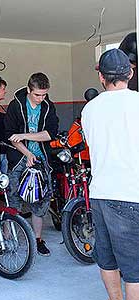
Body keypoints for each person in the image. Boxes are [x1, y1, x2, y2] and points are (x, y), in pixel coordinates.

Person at [82, 48, 139, 300]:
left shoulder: (89, 110)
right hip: (131, 193)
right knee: (134, 269)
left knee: (107, 260)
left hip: (100, 194)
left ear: (101, 78)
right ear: (131, 72)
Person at [4, 72, 59, 256]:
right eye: (37, 95)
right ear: (29, 90)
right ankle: (8, 240)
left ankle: (37, 239)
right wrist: (27, 153)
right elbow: (11, 136)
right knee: (13, 199)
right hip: (19, 157)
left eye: (44, 95)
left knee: (41, 199)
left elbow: (50, 133)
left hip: (41, 158)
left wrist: (25, 135)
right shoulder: (16, 105)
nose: (40, 98)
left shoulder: (48, 106)